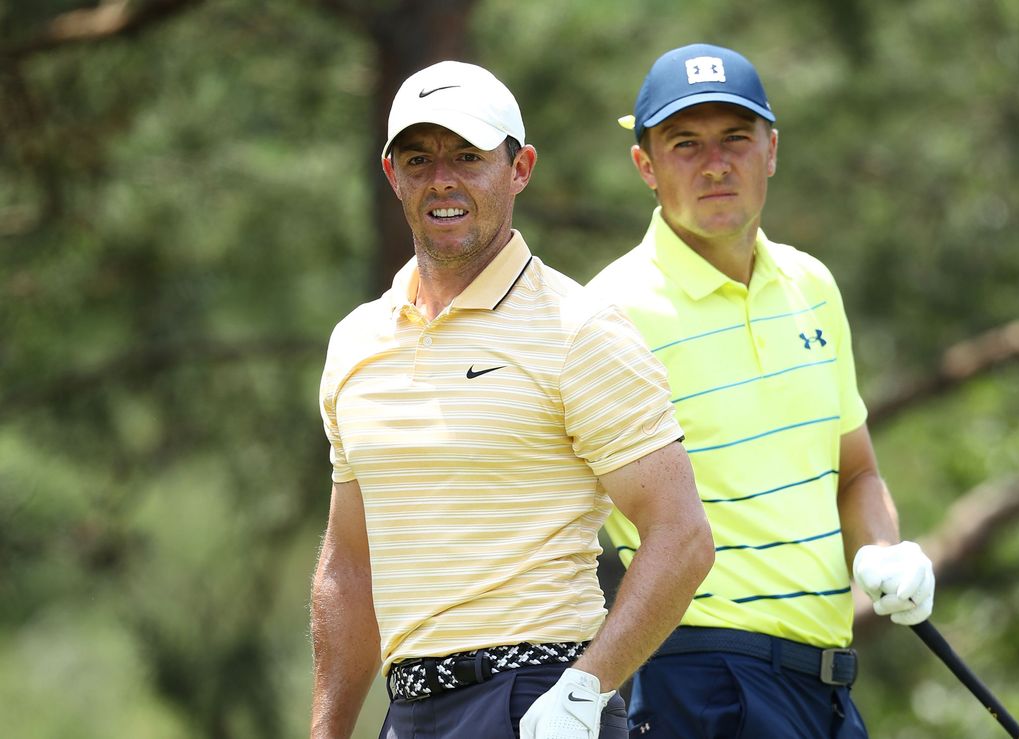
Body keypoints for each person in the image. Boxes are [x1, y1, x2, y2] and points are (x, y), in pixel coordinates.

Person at [309, 60, 714, 739]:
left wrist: (587, 686)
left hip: (538, 699)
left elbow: (682, 535)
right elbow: (349, 568)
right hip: (407, 711)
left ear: (520, 167)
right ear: (392, 176)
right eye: (419, 158)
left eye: (468, 156)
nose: (443, 179)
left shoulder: (579, 328)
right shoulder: (356, 345)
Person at [588, 44, 937, 738]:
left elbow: (857, 470)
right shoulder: (609, 314)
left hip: (827, 680)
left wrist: (880, 549)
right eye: (685, 144)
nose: (715, 163)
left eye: (736, 139)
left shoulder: (812, 286)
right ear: (645, 166)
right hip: (700, 678)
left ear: (771, 149)